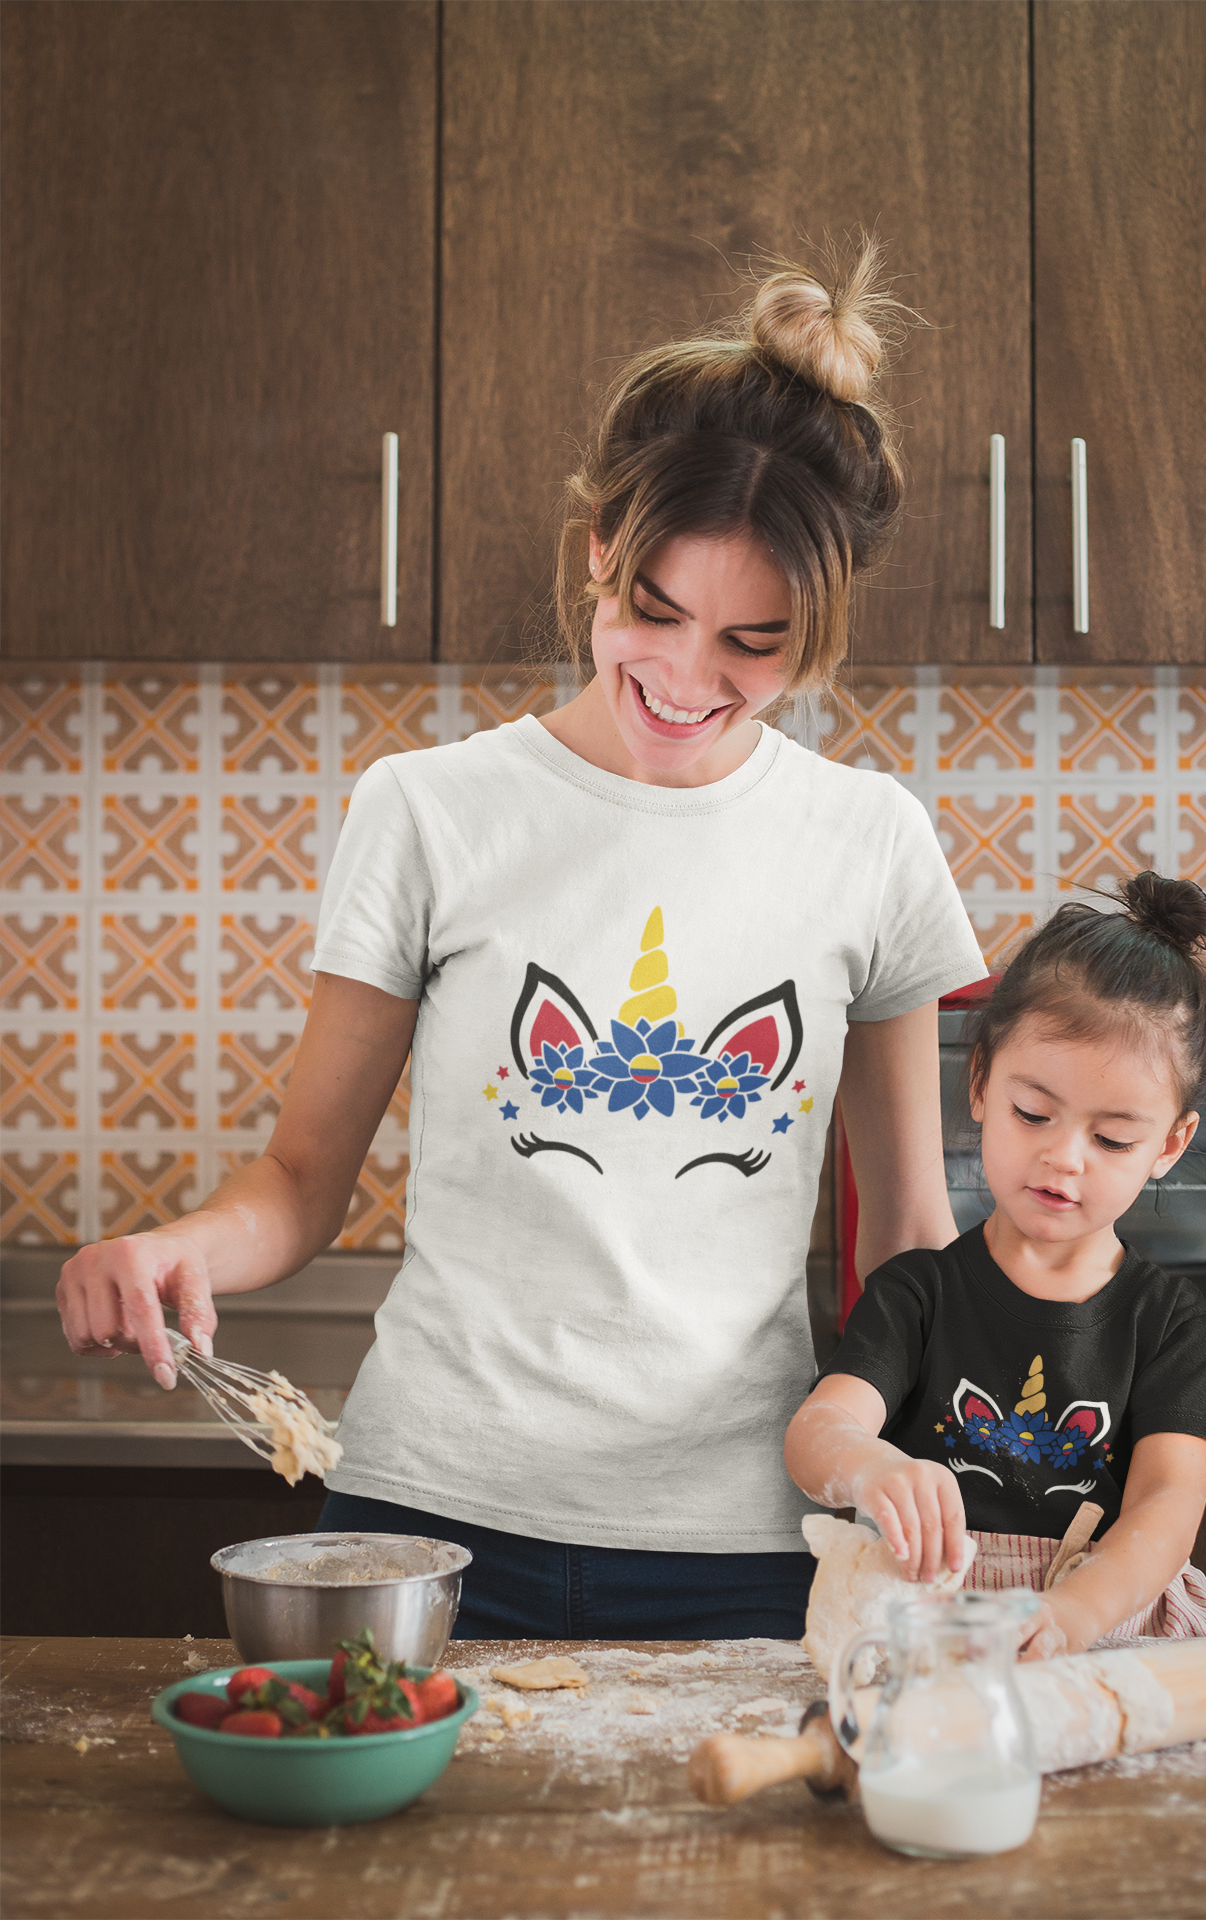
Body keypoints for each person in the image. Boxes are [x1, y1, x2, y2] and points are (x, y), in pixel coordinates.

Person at [55, 243, 988, 1640]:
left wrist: (947, 1450)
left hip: (748, 1532)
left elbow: (908, 1237)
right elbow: (303, 1183)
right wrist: (173, 1246)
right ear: (599, 553)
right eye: (654, 613)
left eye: (753, 642)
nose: (686, 677)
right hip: (428, 1516)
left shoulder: (872, 840)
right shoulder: (429, 811)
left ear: (823, 624)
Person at [785, 872, 1206, 1660]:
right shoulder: (918, 1295)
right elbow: (818, 1430)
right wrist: (865, 1465)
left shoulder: (1169, 1324)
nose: (1063, 1160)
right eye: (1034, 1113)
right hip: (929, 1639)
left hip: (1104, 1637)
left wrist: (1071, 1614)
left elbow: (1166, 1507)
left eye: (1113, 1140)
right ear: (982, 1084)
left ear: (1169, 1145)